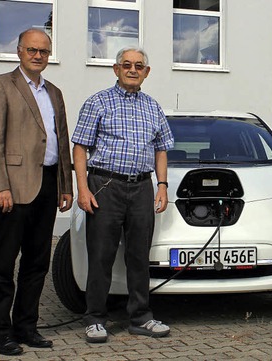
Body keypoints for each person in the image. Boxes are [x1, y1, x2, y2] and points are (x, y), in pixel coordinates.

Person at [0, 28, 73, 356]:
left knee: (37, 262)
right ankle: (0, 332)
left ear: (49, 55)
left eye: (43, 51)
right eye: (31, 50)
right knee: (3, 263)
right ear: (18, 50)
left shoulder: (54, 92)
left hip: (47, 186)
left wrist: (65, 185)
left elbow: (60, 140)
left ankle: (26, 327)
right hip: (12, 188)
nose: (37, 56)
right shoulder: (0, 85)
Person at [71, 46, 174, 343]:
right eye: (126, 64)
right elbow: (80, 147)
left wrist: (163, 186)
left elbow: (161, 149)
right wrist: (82, 188)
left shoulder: (153, 107)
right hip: (106, 186)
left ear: (146, 72)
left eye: (138, 65)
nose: (132, 69)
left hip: (142, 186)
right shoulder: (98, 102)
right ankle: (94, 318)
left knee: (139, 256)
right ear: (116, 69)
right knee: (101, 255)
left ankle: (141, 317)